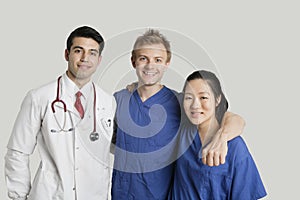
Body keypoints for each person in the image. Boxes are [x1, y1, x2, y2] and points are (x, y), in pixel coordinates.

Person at [111, 29, 245, 199]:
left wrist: (222, 136)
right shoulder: (118, 99)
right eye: (143, 58)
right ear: (133, 61)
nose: (150, 66)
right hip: (121, 194)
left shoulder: (181, 102)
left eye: (158, 60)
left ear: (167, 63)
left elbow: (232, 118)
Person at [4, 26, 115, 200]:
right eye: (78, 51)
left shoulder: (108, 101)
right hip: (52, 194)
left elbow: (113, 148)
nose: (85, 58)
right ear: (67, 54)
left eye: (92, 53)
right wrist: (19, 197)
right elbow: (17, 151)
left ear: (99, 60)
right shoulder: (40, 97)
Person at [169, 70, 267, 199]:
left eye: (203, 97)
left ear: (217, 99)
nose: (195, 105)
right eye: (189, 98)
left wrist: (222, 136)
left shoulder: (235, 147)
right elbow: (153, 90)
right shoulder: (183, 131)